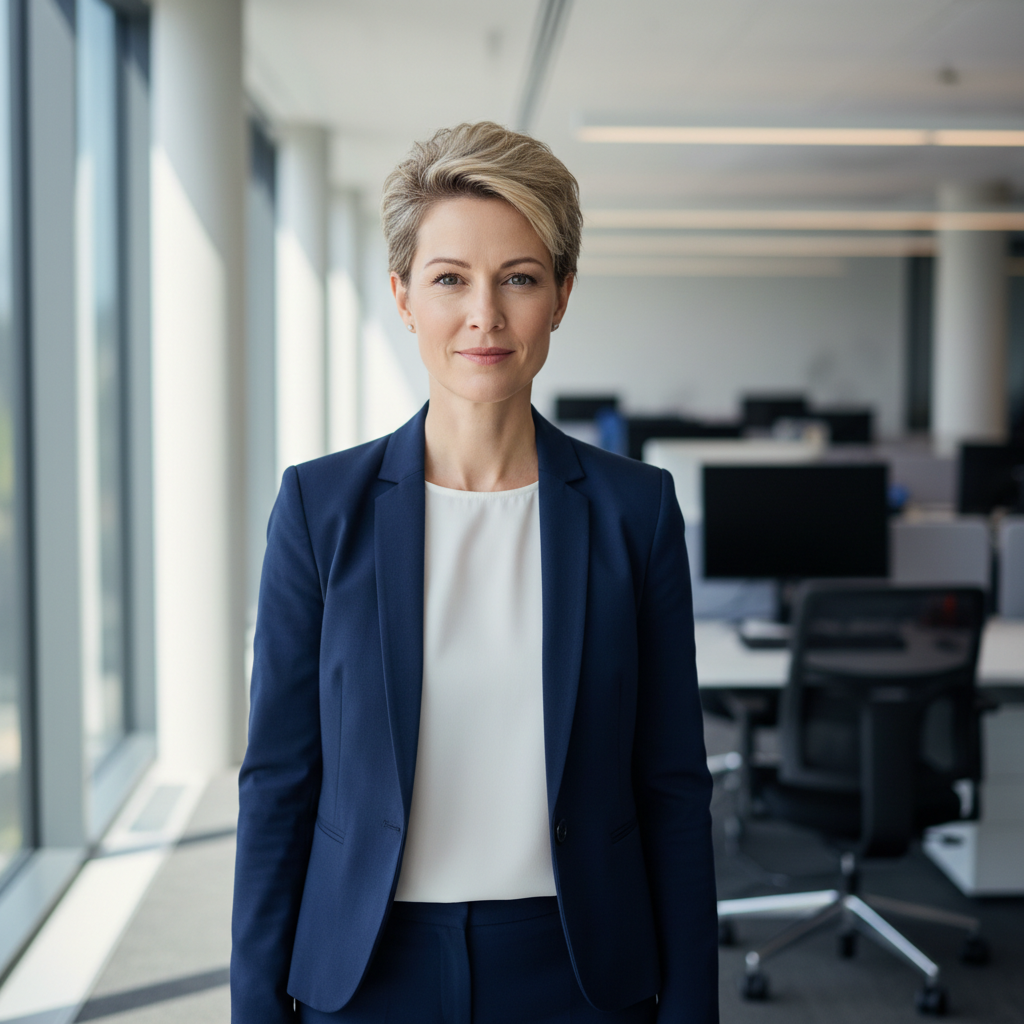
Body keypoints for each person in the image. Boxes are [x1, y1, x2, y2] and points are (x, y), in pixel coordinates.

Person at [231, 121, 718, 1024]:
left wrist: (692, 1009)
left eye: (520, 279)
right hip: (368, 968)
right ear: (404, 297)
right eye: (450, 278)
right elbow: (279, 784)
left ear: (563, 295)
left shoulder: (634, 512)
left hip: (577, 967)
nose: (484, 315)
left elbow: (673, 786)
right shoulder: (319, 510)